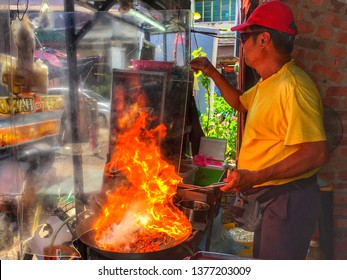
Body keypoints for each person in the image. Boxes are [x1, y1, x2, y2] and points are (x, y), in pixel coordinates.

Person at [190, 0, 329, 260]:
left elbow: (316, 154)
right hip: (273, 198)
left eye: (245, 38)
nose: (241, 45)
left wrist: (255, 176)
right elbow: (240, 102)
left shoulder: (294, 86)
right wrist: (211, 72)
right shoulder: (270, 83)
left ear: (264, 40)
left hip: (288, 200)